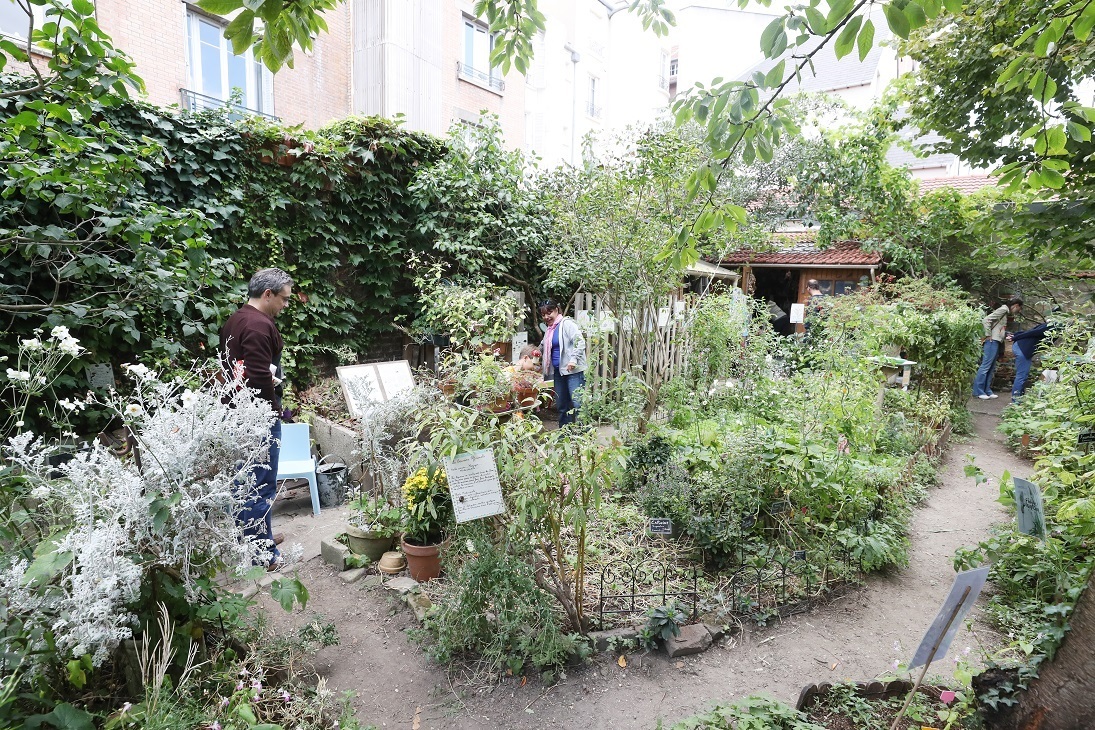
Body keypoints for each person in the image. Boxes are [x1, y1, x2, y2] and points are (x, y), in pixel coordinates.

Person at [220, 267, 294, 570]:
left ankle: (256, 536)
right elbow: (258, 373)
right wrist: (271, 410)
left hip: (238, 412)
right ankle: (263, 554)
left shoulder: (236, 319)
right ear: (267, 294)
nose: (285, 305)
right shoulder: (258, 326)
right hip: (256, 417)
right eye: (284, 299)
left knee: (246, 481)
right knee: (259, 484)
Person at [539, 300, 586, 427]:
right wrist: (536, 352)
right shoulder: (550, 330)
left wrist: (573, 360)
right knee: (561, 405)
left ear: (557, 310)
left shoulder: (567, 324)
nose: (546, 317)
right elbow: (543, 346)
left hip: (573, 372)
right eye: (543, 315)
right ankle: (565, 434)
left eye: (549, 313)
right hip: (559, 372)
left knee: (578, 404)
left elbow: (580, 342)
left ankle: (585, 435)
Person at [972, 296, 1022, 400]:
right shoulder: (1004, 309)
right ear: (1016, 306)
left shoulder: (1005, 311)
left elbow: (999, 327)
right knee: (986, 366)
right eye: (1019, 308)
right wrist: (988, 335)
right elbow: (986, 320)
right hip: (991, 341)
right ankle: (978, 391)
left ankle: (987, 390)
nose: (1018, 311)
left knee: (991, 367)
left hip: (996, 340)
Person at [1007, 319, 1053, 402]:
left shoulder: (1048, 325)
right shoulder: (1051, 327)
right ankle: (1015, 401)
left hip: (1023, 349)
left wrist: (1015, 335)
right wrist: (1015, 336)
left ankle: (1019, 398)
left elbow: (1031, 330)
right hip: (1022, 349)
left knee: (1023, 375)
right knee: (1021, 376)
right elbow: (1032, 332)